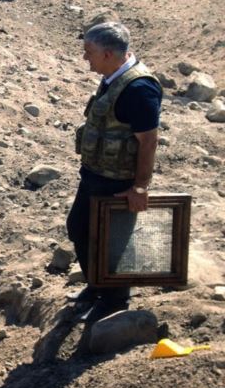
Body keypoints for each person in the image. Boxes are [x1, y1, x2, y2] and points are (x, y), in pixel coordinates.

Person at [66, 21, 162, 322]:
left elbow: (148, 141)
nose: (85, 58)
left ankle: (114, 300)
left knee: (113, 242)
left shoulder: (139, 88)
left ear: (108, 54)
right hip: (95, 174)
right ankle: (96, 286)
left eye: (89, 52)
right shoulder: (112, 76)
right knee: (79, 228)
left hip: (118, 181)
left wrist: (140, 187)